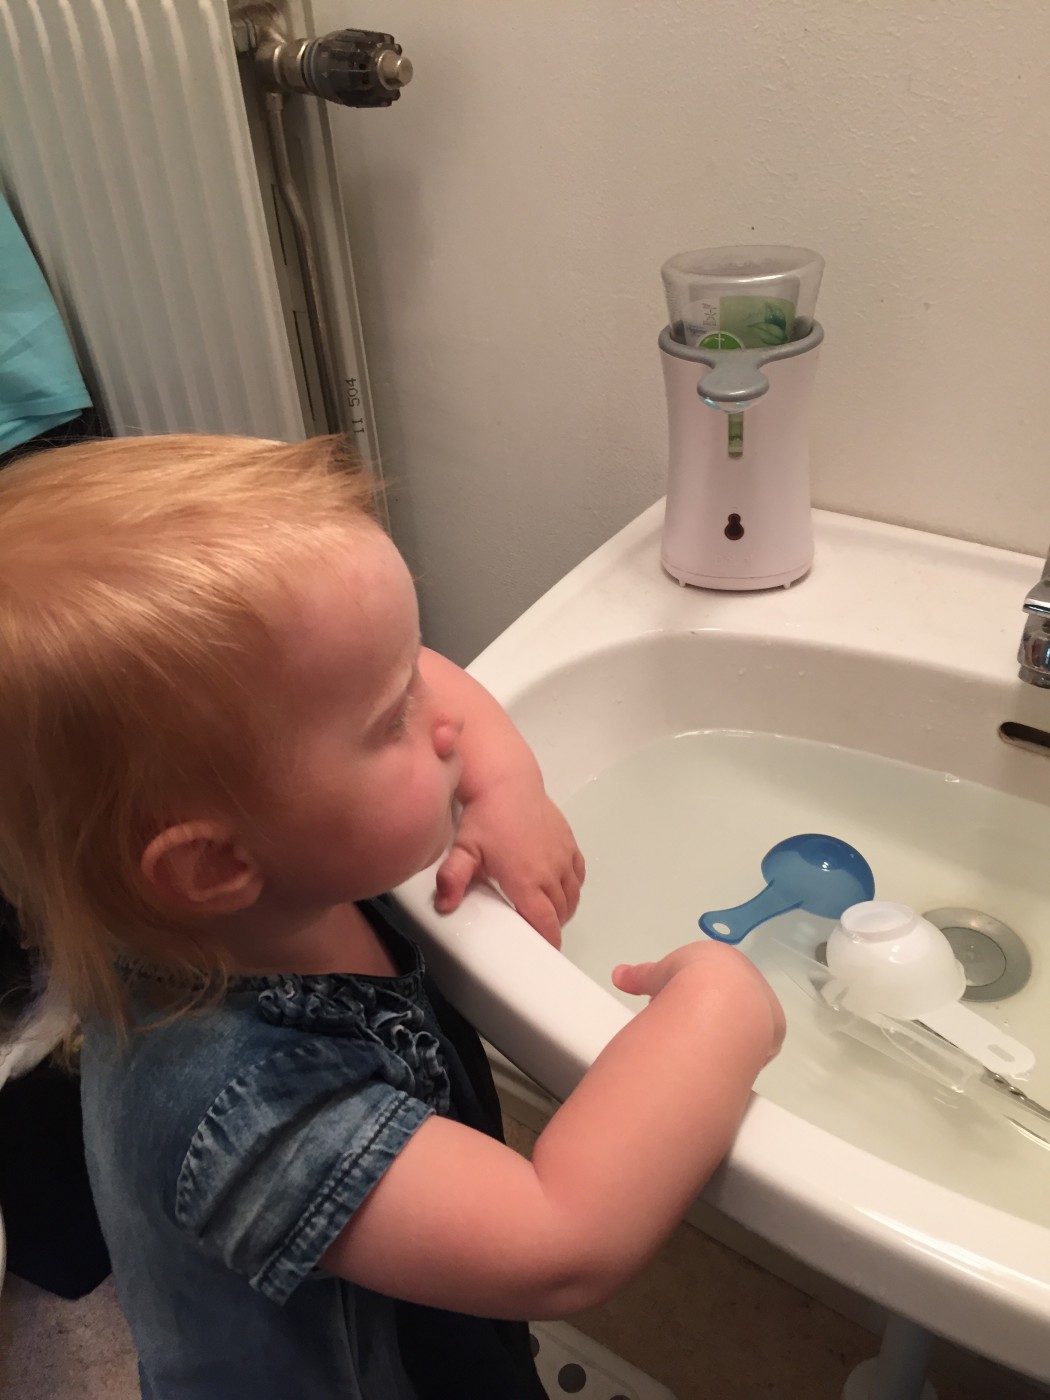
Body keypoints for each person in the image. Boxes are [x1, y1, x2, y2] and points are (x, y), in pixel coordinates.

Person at [0, 433, 785, 1399]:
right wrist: (719, 1002)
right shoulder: (245, 1113)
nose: (441, 716)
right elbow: (560, 1239)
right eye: (392, 718)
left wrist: (507, 785)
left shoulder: (260, 880)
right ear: (214, 865)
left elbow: (432, 678)